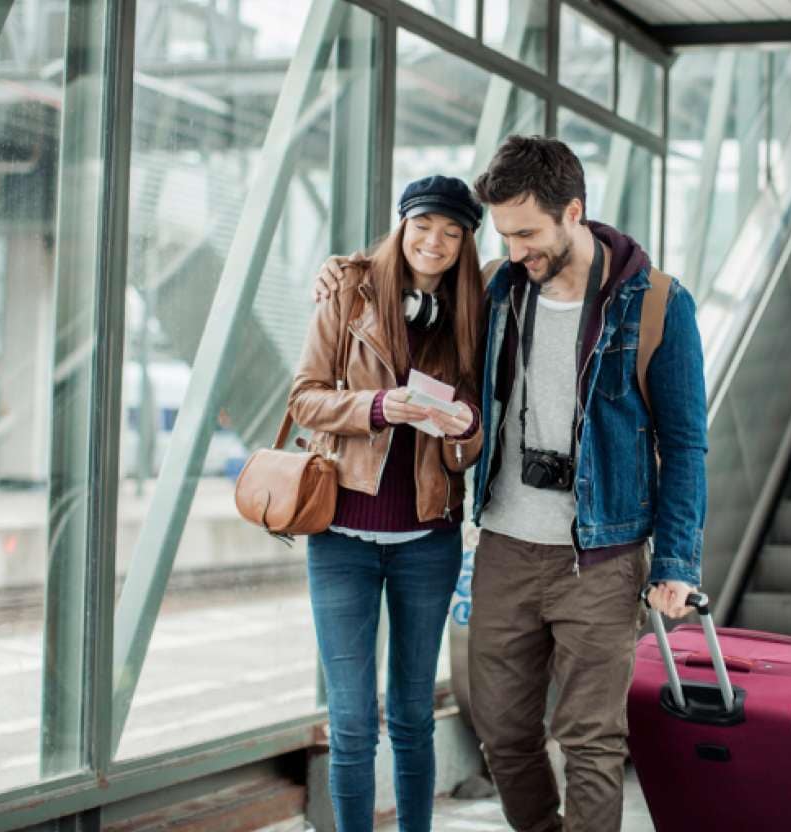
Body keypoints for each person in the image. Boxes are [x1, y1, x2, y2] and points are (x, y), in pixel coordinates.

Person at [316, 136, 708, 832]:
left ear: (573, 212)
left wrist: (677, 561)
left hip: (603, 555)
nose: (516, 248)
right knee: (502, 728)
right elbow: (409, 280)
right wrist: (341, 273)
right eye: (504, 234)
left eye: (527, 233)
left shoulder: (655, 305)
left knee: (590, 739)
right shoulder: (497, 288)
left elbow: (684, 443)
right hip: (503, 544)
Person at [288, 175, 486, 832]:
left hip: (428, 541)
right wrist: (375, 406)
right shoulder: (349, 292)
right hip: (341, 537)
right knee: (349, 721)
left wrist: (465, 431)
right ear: (403, 227)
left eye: (452, 233)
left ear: (464, 246)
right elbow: (305, 398)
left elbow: (479, 429)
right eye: (425, 226)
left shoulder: (469, 315)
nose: (436, 242)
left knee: (411, 715)